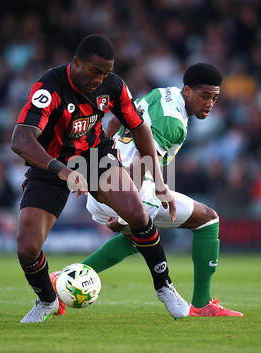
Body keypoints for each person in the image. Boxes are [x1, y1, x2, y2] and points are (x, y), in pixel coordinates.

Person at [11, 34, 189, 323]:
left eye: (105, 72)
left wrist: (160, 183)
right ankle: (47, 300)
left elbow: (140, 128)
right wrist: (64, 171)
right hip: (51, 165)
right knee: (27, 249)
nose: (100, 79)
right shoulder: (49, 87)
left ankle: (165, 286)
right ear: (77, 62)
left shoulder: (113, 85)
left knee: (137, 214)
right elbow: (20, 139)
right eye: (95, 71)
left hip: (95, 159)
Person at [61, 63, 241, 318]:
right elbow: (141, 162)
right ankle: (202, 304)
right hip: (127, 189)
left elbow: (113, 122)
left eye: (215, 98)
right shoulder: (173, 122)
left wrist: (99, 162)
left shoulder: (160, 94)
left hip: (102, 182)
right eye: (204, 96)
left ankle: (61, 280)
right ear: (187, 90)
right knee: (208, 220)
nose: (210, 104)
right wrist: (125, 213)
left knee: (136, 240)